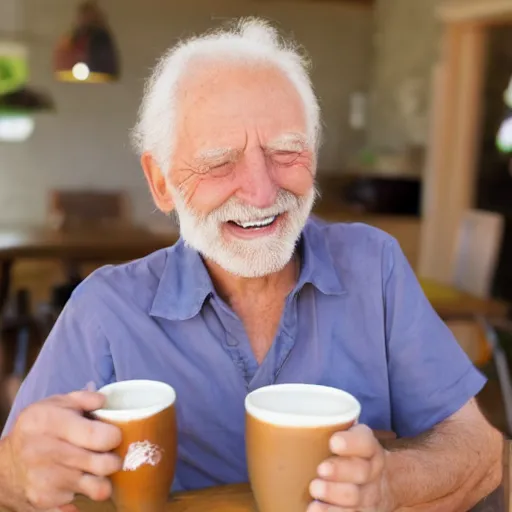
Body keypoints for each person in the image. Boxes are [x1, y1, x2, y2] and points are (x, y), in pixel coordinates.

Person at [0, 18, 503, 512]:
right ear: (160, 182)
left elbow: (481, 450)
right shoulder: (105, 309)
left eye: (286, 152)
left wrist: (392, 482)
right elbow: (9, 478)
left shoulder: (373, 266)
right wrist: (20, 474)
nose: (262, 193)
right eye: (220, 163)